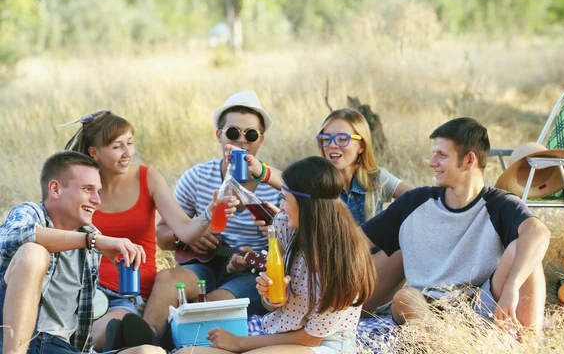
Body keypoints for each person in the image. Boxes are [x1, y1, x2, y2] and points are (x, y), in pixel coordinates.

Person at [63, 110, 237, 350]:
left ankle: (135, 340)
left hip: (130, 293)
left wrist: (209, 212)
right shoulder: (81, 185)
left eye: (130, 143)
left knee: (119, 324)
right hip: (87, 289)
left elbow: (185, 231)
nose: (127, 153)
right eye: (117, 146)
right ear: (94, 153)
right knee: (83, 329)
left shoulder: (148, 178)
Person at [362, 117, 550, 335]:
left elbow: (539, 232)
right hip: (425, 309)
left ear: (469, 161)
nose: (432, 162)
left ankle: (528, 345)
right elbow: (357, 241)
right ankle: (447, 343)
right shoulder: (414, 202)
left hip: (480, 306)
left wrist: (511, 288)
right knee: (405, 297)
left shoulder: (499, 205)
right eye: (433, 154)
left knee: (526, 250)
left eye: (441, 155)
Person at [176, 156, 377, 353]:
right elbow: (273, 303)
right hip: (281, 331)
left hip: (324, 343)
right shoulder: (285, 226)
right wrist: (271, 297)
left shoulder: (342, 261)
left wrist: (239, 343)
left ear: (306, 205)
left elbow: (312, 338)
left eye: (285, 199)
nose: (280, 207)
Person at [241, 107, 412, 313]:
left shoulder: (376, 179)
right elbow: (290, 185)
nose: (332, 146)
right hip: (329, 276)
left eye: (342, 139)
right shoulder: (315, 181)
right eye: (326, 139)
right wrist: (264, 177)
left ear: (361, 145)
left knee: (407, 241)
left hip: (370, 272)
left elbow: (415, 198)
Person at [142, 90, 280, 342]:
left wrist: (265, 244)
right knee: (167, 280)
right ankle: (142, 344)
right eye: (232, 133)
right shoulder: (196, 177)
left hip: (252, 273)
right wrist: (189, 234)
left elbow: (296, 243)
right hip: (203, 265)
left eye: (250, 134)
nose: (241, 141)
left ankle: (177, 343)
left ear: (260, 140)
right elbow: (161, 235)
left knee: (214, 305)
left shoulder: (275, 183)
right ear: (218, 135)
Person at [0, 151, 163, 354]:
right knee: (33, 253)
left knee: (150, 352)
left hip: (59, 346)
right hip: (13, 339)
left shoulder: (90, 238)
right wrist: (92, 241)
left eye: (98, 191)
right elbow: (8, 237)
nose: (96, 200)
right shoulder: (32, 213)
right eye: (87, 189)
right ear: (55, 189)